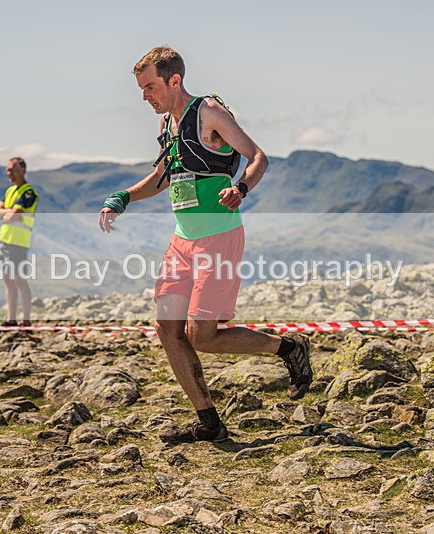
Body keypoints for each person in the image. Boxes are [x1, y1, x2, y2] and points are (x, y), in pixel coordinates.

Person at [98, 46, 313, 444]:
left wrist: (241, 187)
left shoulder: (209, 112)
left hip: (218, 235)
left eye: (149, 86)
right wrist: (123, 197)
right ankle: (209, 423)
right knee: (167, 328)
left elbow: (259, 156)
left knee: (203, 335)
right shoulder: (168, 124)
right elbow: (162, 178)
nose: (145, 95)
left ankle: (288, 348)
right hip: (182, 241)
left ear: (173, 80)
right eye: (141, 89)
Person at [0, 156, 38, 326]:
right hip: (5, 241)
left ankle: (26, 320)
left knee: (19, 280)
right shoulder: (10, 191)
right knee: (8, 280)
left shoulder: (28, 192)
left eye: (13, 169)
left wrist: (6, 213)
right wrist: (8, 214)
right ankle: (11, 318)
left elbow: (14, 215)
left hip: (18, 242)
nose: (9, 173)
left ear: (23, 170)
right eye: (8, 170)